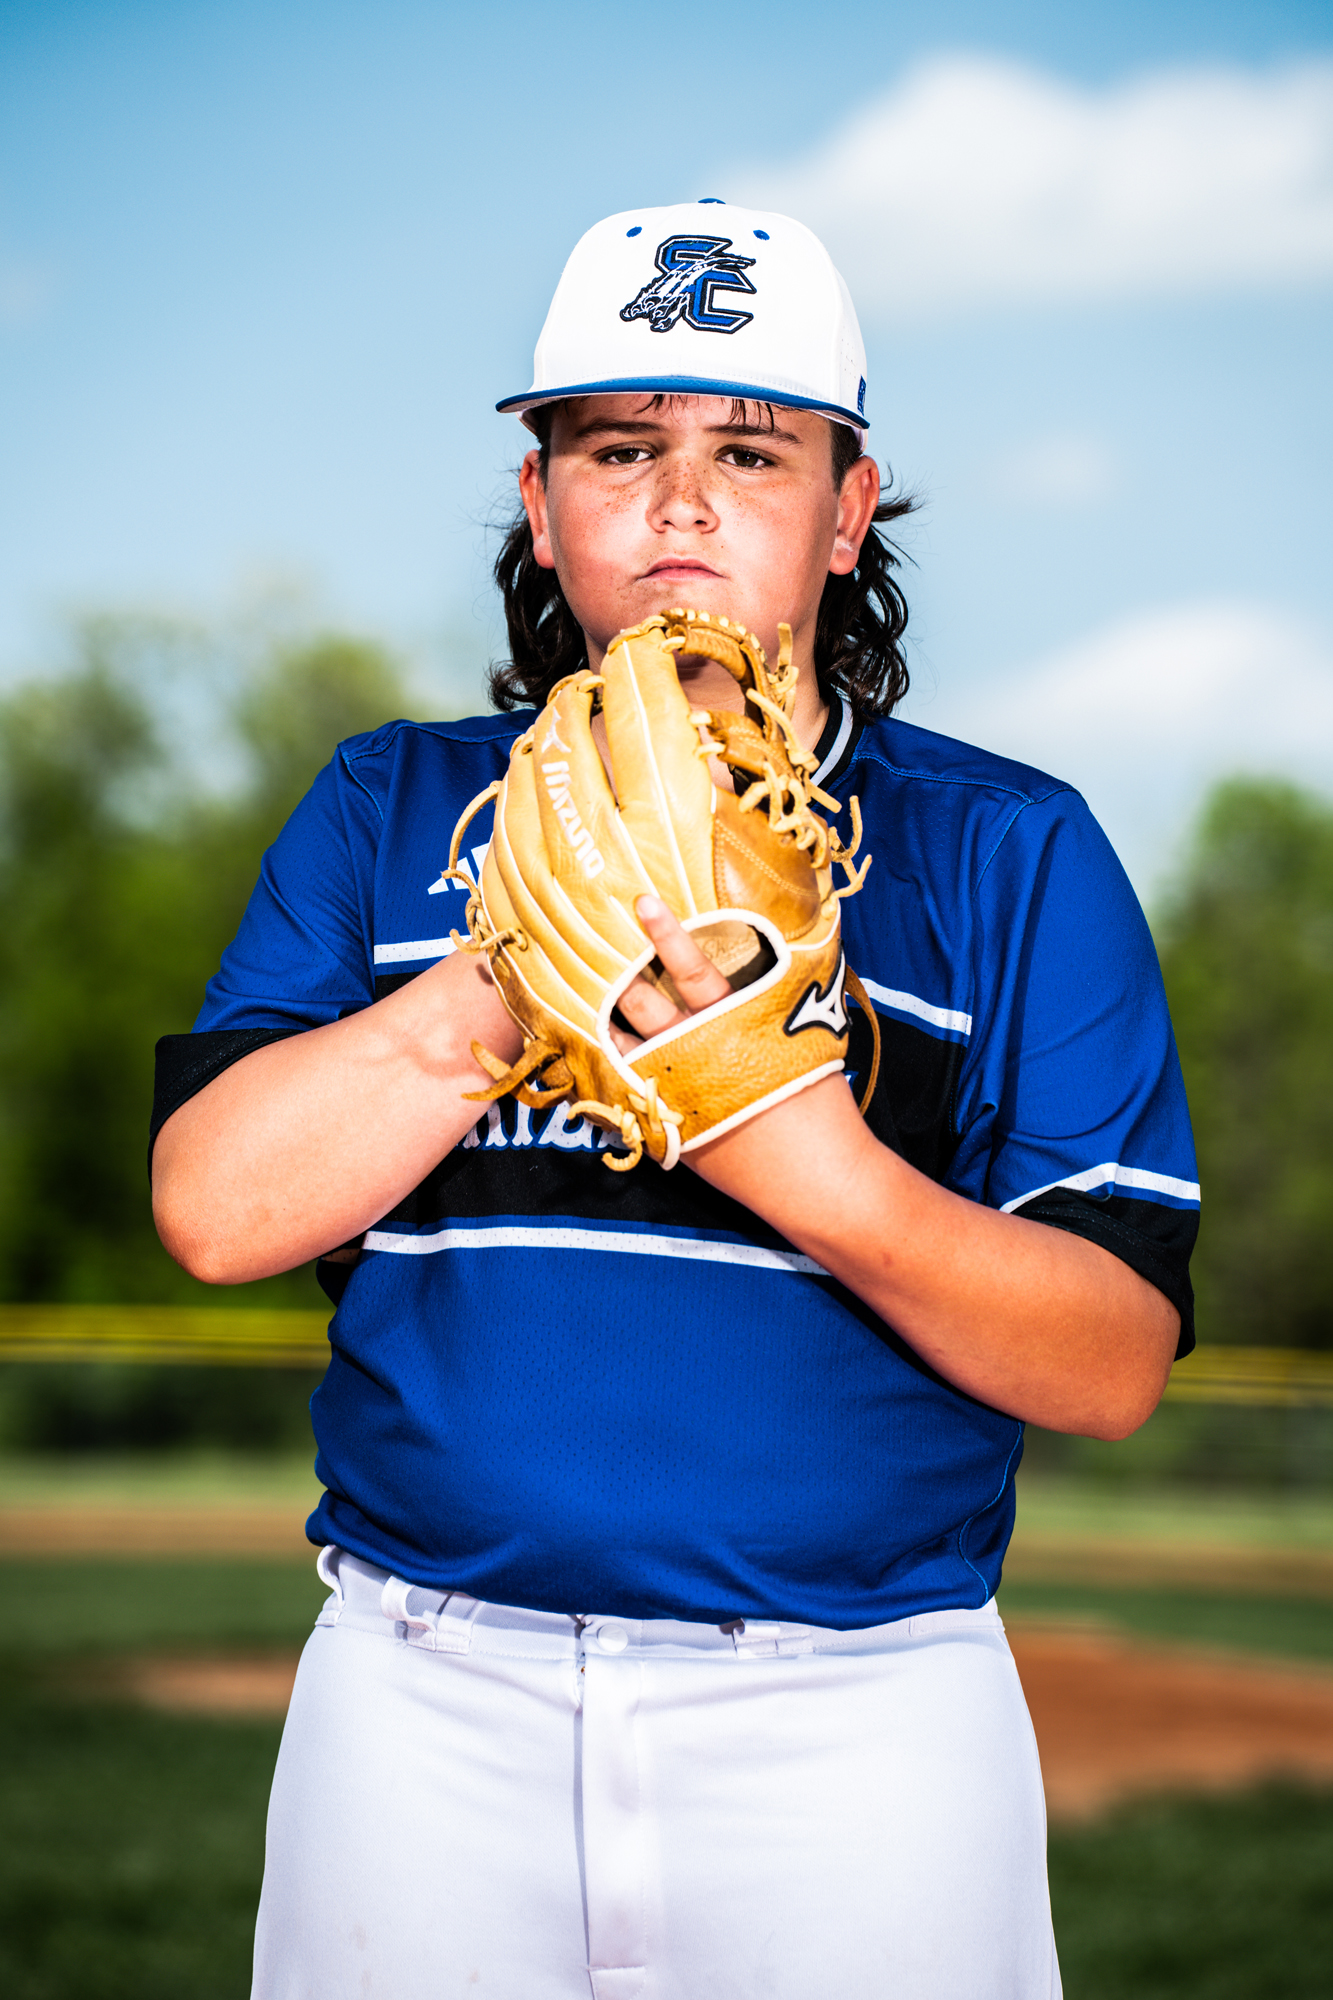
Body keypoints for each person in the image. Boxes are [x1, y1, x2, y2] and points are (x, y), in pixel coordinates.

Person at [151, 201, 1199, 2000]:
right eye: (620, 448)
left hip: (859, 1712)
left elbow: (1108, 1363)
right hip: (421, 1699)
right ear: (540, 498)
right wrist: (508, 968)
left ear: (847, 508)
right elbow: (216, 1211)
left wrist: (786, 1145)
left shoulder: (1006, 847)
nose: (681, 504)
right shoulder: (391, 806)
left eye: (752, 453)